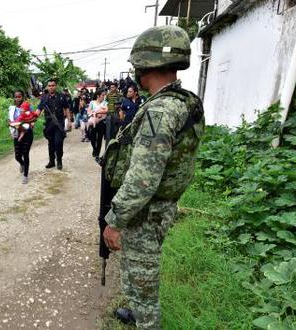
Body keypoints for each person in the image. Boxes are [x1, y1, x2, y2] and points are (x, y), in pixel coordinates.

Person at [102, 25, 205, 329]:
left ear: (146, 65)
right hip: (158, 207)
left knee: (143, 281)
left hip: (146, 212)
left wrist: (115, 219)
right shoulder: (185, 101)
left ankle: (145, 320)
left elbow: (143, 178)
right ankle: (136, 312)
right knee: (136, 272)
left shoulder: (160, 111)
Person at [36, 78, 70, 170]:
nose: (51, 87)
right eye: (49, 86)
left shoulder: (61, 96)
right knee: (50, 143)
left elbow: (67, 109)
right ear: (48, 87)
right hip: (49, 124)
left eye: (53, 85)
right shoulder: (44, 98)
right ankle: (52, 161)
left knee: (58, 142)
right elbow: (39, 110)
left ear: (56, 86)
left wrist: (69, 122)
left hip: (59, 123)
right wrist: (32, 119)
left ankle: (59, 160)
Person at [8, 91, 37, 184]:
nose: (17, 98)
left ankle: (25, 175)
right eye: (16, 97)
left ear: (22, 97)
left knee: (25, 153)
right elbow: (10, 121)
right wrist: (12, 125)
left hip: (27, 132)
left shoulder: (28, 106)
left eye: (19, 96)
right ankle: (22, 164)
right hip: (16, 132)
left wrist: (27, 122)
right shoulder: (12, 109)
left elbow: (34, 118)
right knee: (17, 156)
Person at [87, 89, 108, 162]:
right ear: (98, 96)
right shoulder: (92, 102)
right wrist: (93, 113)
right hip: (93, 122)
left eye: (104, 95)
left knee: (99, 138)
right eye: (102, 95)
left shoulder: (105, 103)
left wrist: (97, 112)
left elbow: (106, 110)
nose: (103, 96)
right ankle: (94, 149)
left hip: (101, 122)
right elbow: (89, 111)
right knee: (92, 138)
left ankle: (97, 154)